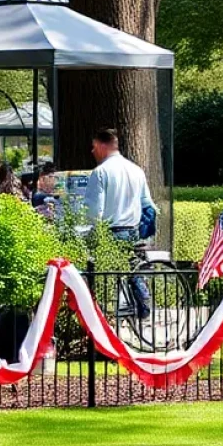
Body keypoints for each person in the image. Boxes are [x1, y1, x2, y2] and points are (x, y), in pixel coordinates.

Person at [85, 128, 155, 319]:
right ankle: (142, 303)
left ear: (101, 145)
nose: (92, 151)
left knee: (102, 276)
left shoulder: (100, 172)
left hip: (111, 230)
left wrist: (89, 231)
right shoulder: (136, 170)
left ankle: (107, 315)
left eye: (93, 147)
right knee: (130, 268)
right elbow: (147, 204)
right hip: (132, 230)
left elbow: (94, 212)